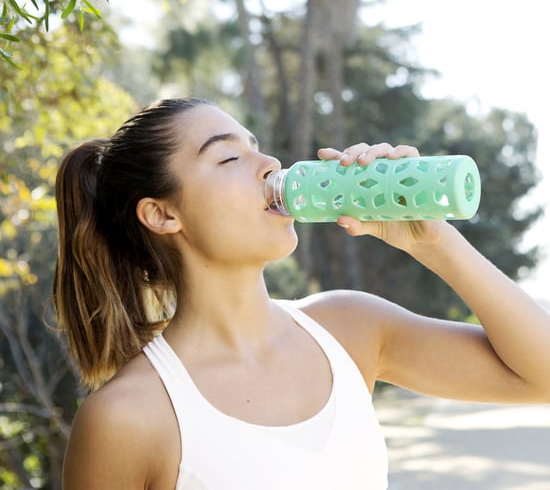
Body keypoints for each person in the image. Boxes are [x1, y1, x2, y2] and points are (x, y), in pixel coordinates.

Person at [54, 97, 550, 490]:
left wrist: (433, 241)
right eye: (229, 156)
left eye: (256, 146)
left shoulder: (350, 328)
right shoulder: (127, 419)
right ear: (163, 214)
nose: (268, 162)